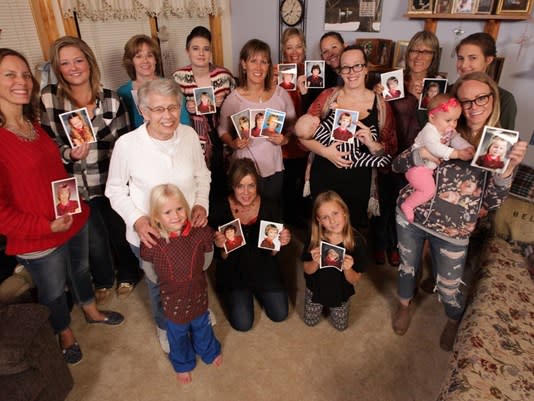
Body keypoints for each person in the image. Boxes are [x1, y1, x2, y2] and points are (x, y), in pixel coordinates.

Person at [0, 48, 123, 366]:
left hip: (71, 216)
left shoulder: (33, 125)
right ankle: (65, 333)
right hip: (38, 235)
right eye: (9, 75)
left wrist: (72, 162)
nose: (21, 81)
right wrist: (45, 227)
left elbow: (52, 173)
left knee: (81, 270)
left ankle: (91, 310)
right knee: (53, 290)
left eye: (25, 74)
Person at [391, 71, 527, 351]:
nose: (474, 106)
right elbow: (398, 164)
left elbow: (493, 202)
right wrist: (422, 155)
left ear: (493, 99)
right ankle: (404, 305)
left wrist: (508, 169)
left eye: (481, 98)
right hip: (411, 218)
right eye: (466, 101)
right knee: (408, 267)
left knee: (450, 285)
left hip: (453, 230)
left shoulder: (499, 142)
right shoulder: (444, 130)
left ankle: (453, 320)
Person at [106, 78, 211, 352]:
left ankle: (197, 312)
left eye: (173, 108)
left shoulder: (188, 135)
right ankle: (165, 326)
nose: (167, 116)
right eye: (158, 109)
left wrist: (201, 203)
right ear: (144, 111)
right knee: (159, 287)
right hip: (150, 235)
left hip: (187, 230)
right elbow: (114, 190)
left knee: (195, 276)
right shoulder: (127, 145)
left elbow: (202, 175)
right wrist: (138, 221)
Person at [41, 36, 140, 303]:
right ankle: (105, 280)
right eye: (65, 63)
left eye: (78, 60)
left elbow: (125, 141)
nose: (73, 67)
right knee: (93, 239)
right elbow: (47, 142)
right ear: (57, 68)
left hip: (110, 178)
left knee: (119, 230)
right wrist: (67, 153)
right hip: (74, 184)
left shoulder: (110, 100)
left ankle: (129, 274)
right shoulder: (49, 99)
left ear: (89, 62)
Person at [296, 45, 397, 229]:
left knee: (353, 232)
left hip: (358, 182)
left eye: (357, 66)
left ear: (366, 68)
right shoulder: (328, 97)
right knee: (323, 230)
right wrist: (326, 152)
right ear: (340, 71)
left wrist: (373, 144)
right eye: (346, 67)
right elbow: (302, 136)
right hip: (324, 177)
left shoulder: (381, 105)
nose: (351, 72)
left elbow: (389, 150)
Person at [141, 184, 221, 384]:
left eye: (179, 209)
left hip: (198, 295)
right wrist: (163, 282)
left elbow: (208, 253)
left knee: (203, 326)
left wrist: (198, 271)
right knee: (177, 335)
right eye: (167, 212)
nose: (175, 216)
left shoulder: (199, 233)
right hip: (173, 301)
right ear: (157, 217)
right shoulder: (153, 241)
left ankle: (209, 351)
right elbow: (148, 267)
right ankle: (182, 363)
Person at [374, 30, 442, 266]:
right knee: (385, 199)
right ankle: (381, 244)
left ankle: (396, 246)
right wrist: (377, 95)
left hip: (420, 158)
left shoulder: (439, 87)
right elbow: (380, 113)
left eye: (425, 51)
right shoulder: (394, 80)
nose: (418, 56)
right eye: (414, 49)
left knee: (406, 201)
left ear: (434, 56)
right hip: (393, 150)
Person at [210, 158, 291, 332]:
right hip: (234, 270)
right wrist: (220, 246)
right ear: (232, 186)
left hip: (263, 266)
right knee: (243, 324)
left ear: (257, 185)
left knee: (280, 314)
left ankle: (258, 290)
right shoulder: (219, 207)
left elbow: (272, 252)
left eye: (251, 186)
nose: (246, 192)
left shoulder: (270, 205)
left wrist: (281, 242)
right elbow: (221, 258)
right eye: (240, 186)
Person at [218, 39, 296, 202]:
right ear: (244, 64)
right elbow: (223, 130)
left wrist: (284, 139)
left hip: (273, 170)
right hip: (243, 173)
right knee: (246, 216)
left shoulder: (281, 94)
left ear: (269, 66)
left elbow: (292, 127)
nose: (259, 68)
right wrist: (233, 143)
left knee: (271, 217)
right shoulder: (234, 99)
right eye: (253, 61)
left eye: (264, 62)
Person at [172, 26, 235, 199]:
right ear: (187, 51)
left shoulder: (223, 76)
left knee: (224, 182)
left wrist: (225, 104)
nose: (201, 53)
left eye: (206, 49)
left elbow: (238, 107)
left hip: (221, 136)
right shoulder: (178, 77)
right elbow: (170, 110)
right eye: (195, 48)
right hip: (194, 139)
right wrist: (186, 107)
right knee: (200, 186)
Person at [400, 94, 474, 223]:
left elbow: (456, 139)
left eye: (455, 120)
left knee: (428, 189)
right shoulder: (429, 130)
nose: (452, 125)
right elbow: (434, 148)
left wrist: (467, 147)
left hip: (427, 170)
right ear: (432, 117)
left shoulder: (447, 130)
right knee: (428, 191)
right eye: (448, 120)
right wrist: (457, 154)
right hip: (417, 169)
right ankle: (408, 205)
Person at [301, 191, 366, 331]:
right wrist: (315, 262)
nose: (332, 221)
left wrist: (348, 268)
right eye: (325, 217)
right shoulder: (314, 238)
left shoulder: (357, 242)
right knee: (309, 322)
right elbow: (306, 269)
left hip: (341, 292)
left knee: (341, 326)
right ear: (319, 220)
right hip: (315, 289)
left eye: (335, 213)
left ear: (344, 212)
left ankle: (332, 305)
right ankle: (321, 304)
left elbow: (354, 280)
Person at [118, 34, 190, 130]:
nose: (145, 61)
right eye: (139, 56)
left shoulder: (171, 87)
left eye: (149, 55)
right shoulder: (123, 93)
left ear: (155, 59)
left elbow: (184, 124)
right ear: (131, 61)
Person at [279, 28, 310, 225]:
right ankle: (286, 218)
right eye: (289, 47)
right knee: (286, 180)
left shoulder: (313, 71)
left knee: (302, 177)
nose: (294, 51)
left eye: (298, 46)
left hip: (305, 135)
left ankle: (298, 215)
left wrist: (305, 92)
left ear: (304, 48)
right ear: (283, 49)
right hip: (284, 136)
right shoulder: (276, 72)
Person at [455, 32, 517, 130]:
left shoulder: (505, 99)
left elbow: (505, 140)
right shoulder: (448, 91)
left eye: (473, 58)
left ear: (488, 60)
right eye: (460, 58)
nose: (464, 65)